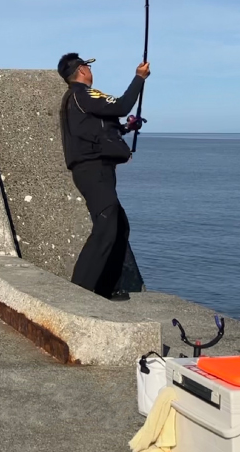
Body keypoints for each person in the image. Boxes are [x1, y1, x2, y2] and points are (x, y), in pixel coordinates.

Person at [58, 53, 150, 301]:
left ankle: (104, 289)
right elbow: (121, 106)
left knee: (119, 226)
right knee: (106, 225)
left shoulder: (77, 100)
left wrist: (126, 127)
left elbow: (100, 127)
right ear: (81, 70)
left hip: (96, 170)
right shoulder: (84, 94)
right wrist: (139, 78)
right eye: (87, 66)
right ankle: (80, 291)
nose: (91, 70)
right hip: (93, 170)